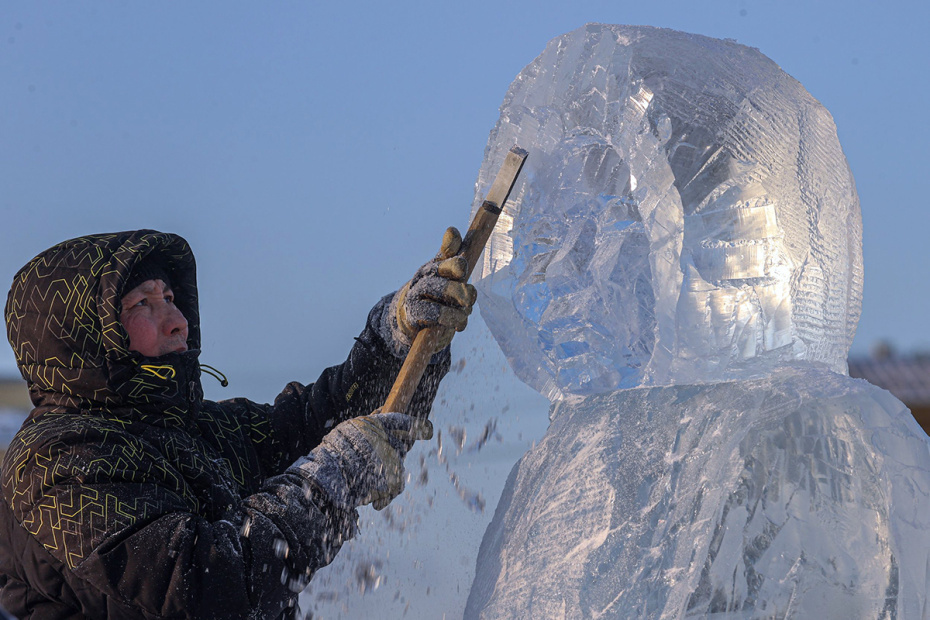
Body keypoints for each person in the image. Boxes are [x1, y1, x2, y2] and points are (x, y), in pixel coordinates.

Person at [0, 228, 476, 619]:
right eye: (140, 304)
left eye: (169, 296)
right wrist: (331, 478)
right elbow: (206, 584)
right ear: (82, 338)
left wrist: (397, 339)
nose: (176, 320)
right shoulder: (56, 462)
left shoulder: (198, 432)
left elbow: (315, 428)